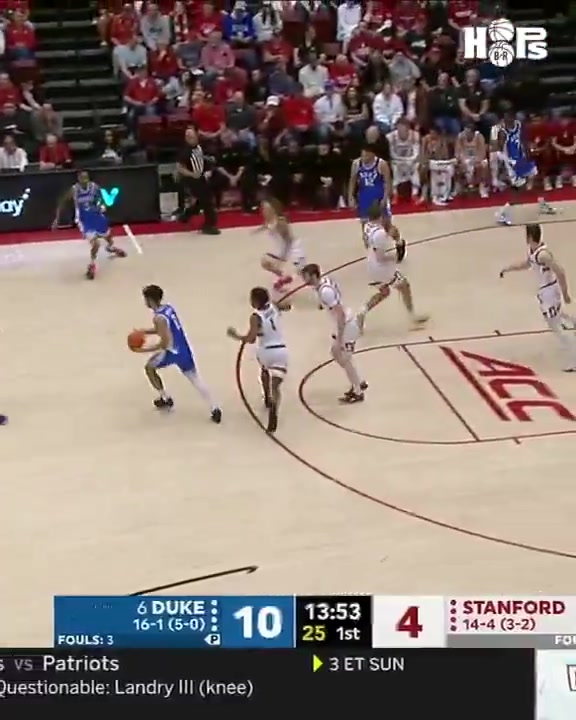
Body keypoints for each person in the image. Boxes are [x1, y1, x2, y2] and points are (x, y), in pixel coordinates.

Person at [132, 284, 222, 421]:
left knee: (149, 368)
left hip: (171, 352)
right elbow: (164, 329)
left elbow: (164, 343)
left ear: (150, 300)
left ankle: (165, 397)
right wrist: (144, 331)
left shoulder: (158, 318)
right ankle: (214, 408)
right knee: (195, 379)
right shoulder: (168, 309)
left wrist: (143, 350)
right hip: (183, 349)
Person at [499, 224, 576, 372]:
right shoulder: (533, 251)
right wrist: (508, 268)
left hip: (550, 291)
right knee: (556, 316)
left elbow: (560, 271)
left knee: (554, 324)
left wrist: (565, 294)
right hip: (544, 292)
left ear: (529, 237)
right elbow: (526, 264)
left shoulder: (543, 255)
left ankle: (574, 356)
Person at [301, 263, 367, 404]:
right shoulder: (323, 284)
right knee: (337, 354)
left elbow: (340, 314)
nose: (303, 280)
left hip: (347, 326)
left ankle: (358, 391)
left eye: (305, 277)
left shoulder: (325, 292)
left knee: (344, 357)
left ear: (313, 276)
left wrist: (340, 338)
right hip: (345, 324)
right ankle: (358, 381)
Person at [357, 203, 428, 333]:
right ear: (380, 217)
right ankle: (412, 318)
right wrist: (395, 257)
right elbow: (381, 257)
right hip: (381, 268)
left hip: (371, 264)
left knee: (384, 292)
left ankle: (362, 312)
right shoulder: (380, 234)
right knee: (404, 286)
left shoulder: (367, 226)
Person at [226, 287, 287, 433]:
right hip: (281, 350)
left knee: (264, 371)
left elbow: (251, 339)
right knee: (276, 385)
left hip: (266, 351)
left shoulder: (255, 317)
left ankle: (267, 398)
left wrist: (236, 335)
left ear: (255, 301)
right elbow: (287, 306)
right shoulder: (274, 306)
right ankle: (274, 404)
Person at [53, 170, 126, 280]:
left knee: (108, 237)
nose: (84, 180)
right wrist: (57, 219)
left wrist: (102, 205)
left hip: (96, 216)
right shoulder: (74, 190)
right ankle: (92, 265)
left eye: (86, 178)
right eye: (82, 178)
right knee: (96, 244)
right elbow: (62, 202)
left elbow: (101, 198)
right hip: (84, 220)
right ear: (78, 179)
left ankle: (110, 248)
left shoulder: (94, 187)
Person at [496, 110, 555, 226]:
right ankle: (503, 213)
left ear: (513, 119)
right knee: (519, 190)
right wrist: (509, 162)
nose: (507, 122)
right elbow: (498, 152)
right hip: (513, 165)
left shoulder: (519, 126)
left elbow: (523, 141)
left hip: (523, 160)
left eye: (510, 119)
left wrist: (529, 152)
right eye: (505, 120)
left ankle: (542, 203)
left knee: (537, 179)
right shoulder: (502, 133)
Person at [348, 143, 406, 262]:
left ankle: (399, 242)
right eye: (362, 155)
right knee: (366, 227)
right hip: (364, 198)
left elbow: (387, 183)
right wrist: (351, 197)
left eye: (366, 155)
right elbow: (352, 181)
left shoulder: (381, 164)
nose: (364, 157)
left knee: (387, 226)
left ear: (372, 154)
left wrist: (385, 198)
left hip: (378, 197)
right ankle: (372, 251)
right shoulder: (356, 164)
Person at [255, 197, 306, 298]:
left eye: (267, 209)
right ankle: (284, 275)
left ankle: (289, 277)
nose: (264, 211)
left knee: (299, 275)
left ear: (274, 209)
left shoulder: (280, 222)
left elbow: (289, 240)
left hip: (293, 251)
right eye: (263, 208)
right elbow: (266, 226)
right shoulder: (269, 221)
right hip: (282, 250)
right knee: (265, 261)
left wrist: (283, 257)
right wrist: (258, 230)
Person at [175, 126, 220, 235]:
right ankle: (208, 225)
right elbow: (180, 168)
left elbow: (204, 158)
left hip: (202, 177)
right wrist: (192, 174)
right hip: (191, 179)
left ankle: (186, 215)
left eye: (192, 136)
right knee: (207, 201)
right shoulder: (185, 151)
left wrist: (208, 164)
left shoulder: (200, 147)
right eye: (188, 137)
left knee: (202, 201)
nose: (190, 138)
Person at [386, 117, 421, 203]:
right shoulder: (390, 137)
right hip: (396, 160)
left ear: (408, 128)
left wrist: (409, 160)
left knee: (416, 167)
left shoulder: (415, 135)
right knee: (394, 168)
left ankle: (415, 193)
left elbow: (416, 152)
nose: (402, 131)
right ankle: (395, 194)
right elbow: (391, 153)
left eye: (404, 129)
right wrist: (401, 161)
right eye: (400, 128)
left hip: (411, 160)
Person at [454, 122, 489, 199]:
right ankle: (458, 187)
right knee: (455, 164)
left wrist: (475, 161)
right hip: (465, 159)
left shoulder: (479, 137)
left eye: (468, 133)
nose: (466, 134)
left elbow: (482, 153)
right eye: (465, 132)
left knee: (484, 164)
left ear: (473, 133)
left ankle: (482, 187)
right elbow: (457, 152)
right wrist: (463, 161)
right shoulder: (460, 137)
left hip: (477, 159)